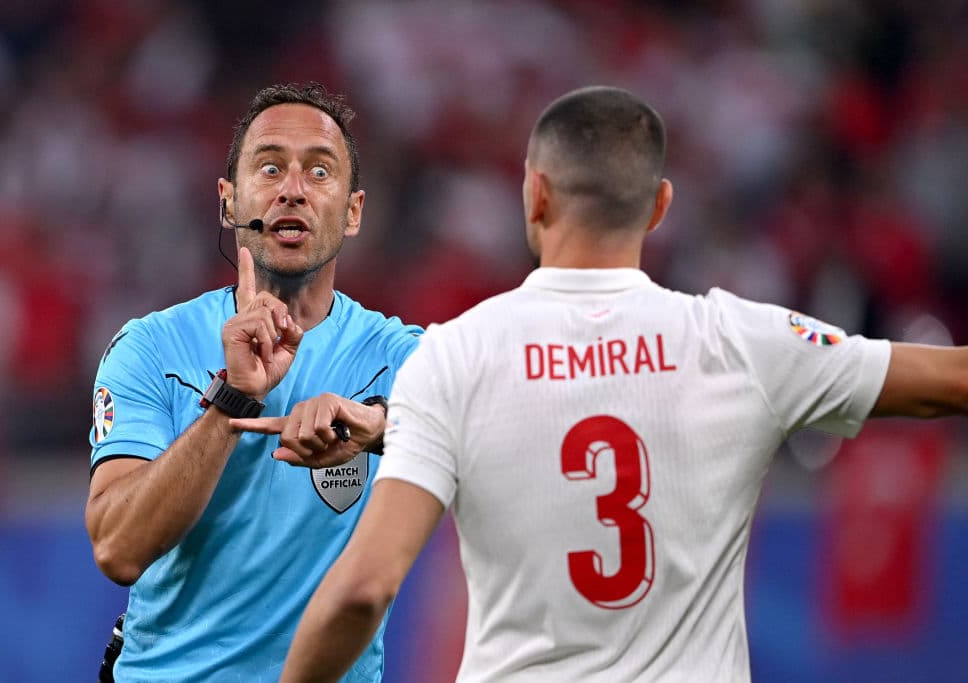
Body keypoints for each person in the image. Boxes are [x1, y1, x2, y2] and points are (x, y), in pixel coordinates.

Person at [259, 86, 968, 682]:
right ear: (659, 205)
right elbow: (952, 379)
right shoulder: (742, 342)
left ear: (535, 194)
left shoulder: (454, 356)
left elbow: (364, 589)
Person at [85, 82, 421, 682]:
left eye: (319, 171)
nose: (292, 189)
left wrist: (378, 427)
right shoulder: (151, 348)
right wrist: (231, 401)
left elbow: (504, 439)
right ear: (228, 202)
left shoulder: (398, 357)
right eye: (270, 168)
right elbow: (117, 549)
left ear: (353, 212)